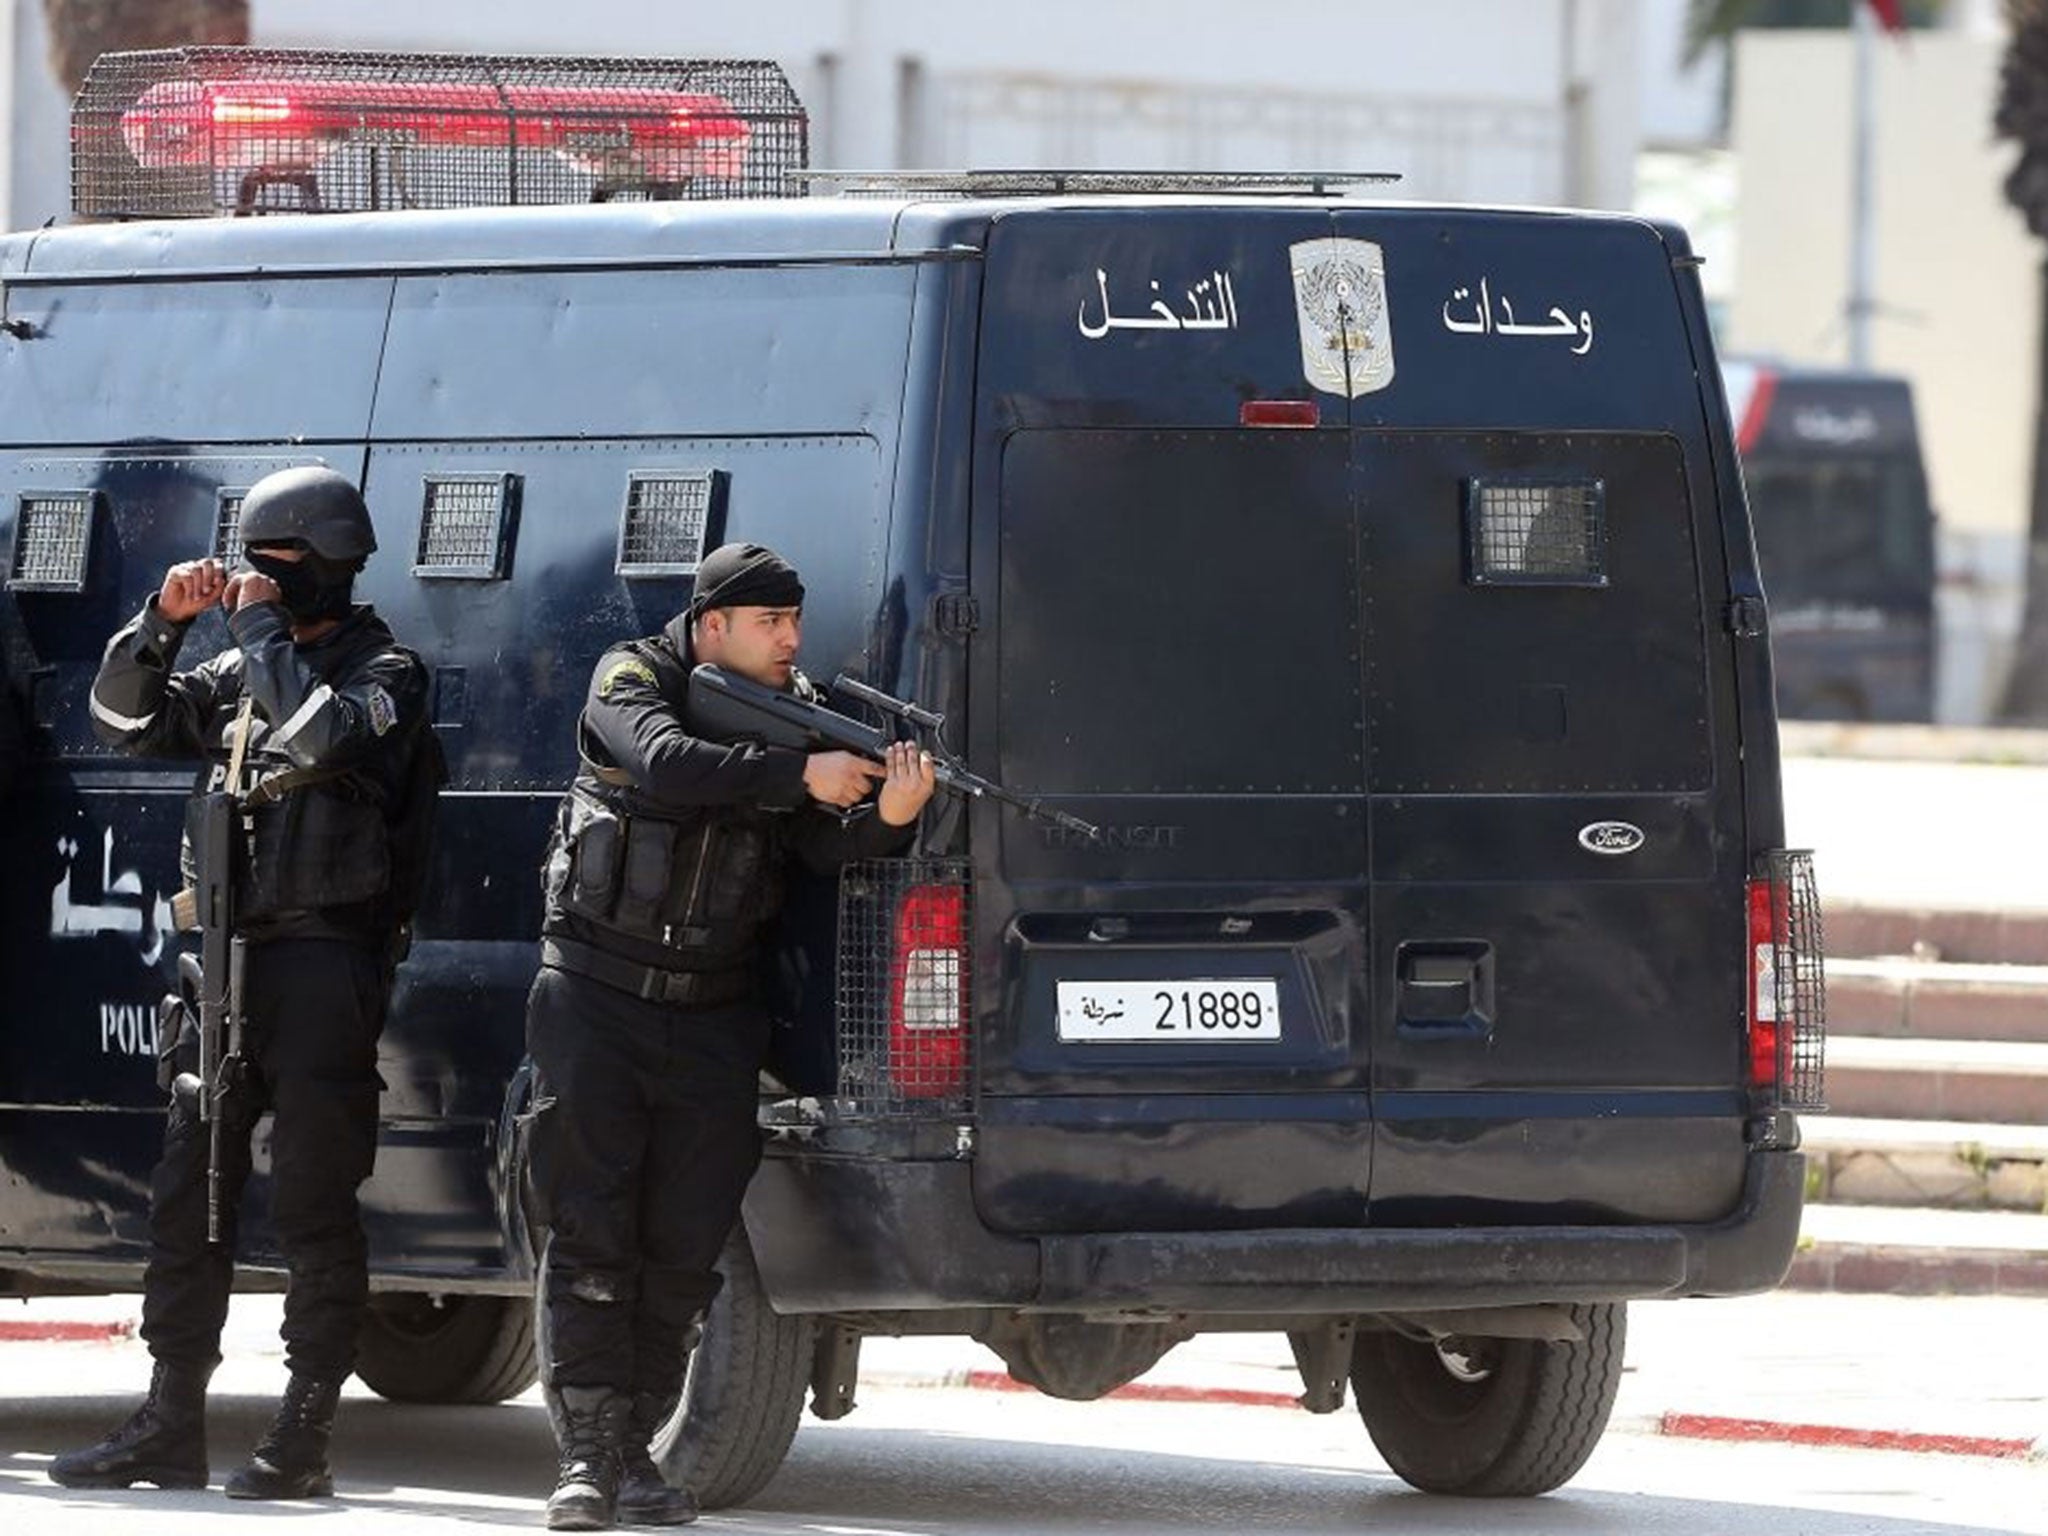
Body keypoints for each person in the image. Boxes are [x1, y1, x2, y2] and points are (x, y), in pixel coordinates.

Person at [526, 541, 934, 1531]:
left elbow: (821, 850)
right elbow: (663, 762)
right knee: (591, 1234)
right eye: (769, 624)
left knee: (682, 1245)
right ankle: (587, 1459)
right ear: (711, 627)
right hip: (597, 998)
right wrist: (803, 771)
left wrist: (886, 812)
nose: (791, 641)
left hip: (713, 1012)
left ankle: (631, 1451)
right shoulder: (631, 676)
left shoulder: (791, 715)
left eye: (793, 623)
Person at [50, 466, 433, 1501]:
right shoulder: (234, 667)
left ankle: (301, 1437)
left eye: (279, 565)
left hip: (323, 964)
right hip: (220, 963)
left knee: (313, 1206)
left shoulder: (387, 672)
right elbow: (122, 721)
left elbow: (319, 736)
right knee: (190, 1200)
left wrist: (257, 636)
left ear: (329, 566)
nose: (257, 581)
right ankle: (169, 1421)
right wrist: (159, 624)